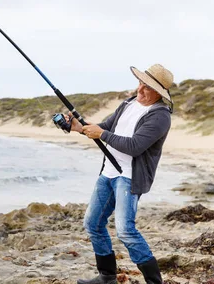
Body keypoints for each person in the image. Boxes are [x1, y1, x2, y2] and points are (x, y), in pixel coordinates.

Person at [66, 64, 174, 284]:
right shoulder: (128, 103)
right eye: (140, 84)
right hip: (108, 173)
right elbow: (105, 126)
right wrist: (78, 127)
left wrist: (102, 133)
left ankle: (155, 282)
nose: (140, 90)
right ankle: (107, 277)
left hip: (129, 177)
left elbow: (135, 146)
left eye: (147, 88)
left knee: (125, 230)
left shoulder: (160, 116)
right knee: (93, 223)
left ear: (159, 94)